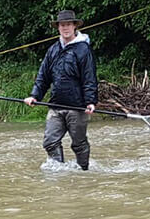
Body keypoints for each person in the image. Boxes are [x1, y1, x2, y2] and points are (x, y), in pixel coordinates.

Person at [25, 9, 98, 170]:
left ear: (74, 27)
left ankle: (84, 171)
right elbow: (43, 76)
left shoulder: (83, 50)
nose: (65, 28)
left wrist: (91, 101)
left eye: (68, 24)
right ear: (58, 27)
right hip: (56, 106)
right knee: (50, 142)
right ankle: (58, 172)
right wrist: (34, 95)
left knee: (79, 144)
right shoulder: (53, 50)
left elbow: (89, 77)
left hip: (77, 107)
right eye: (62, 25)